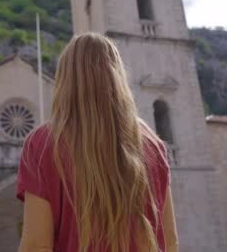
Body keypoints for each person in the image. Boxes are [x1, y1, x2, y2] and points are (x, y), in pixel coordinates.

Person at [16, 33, 179, 252]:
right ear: (117, 75)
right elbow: (170, 242)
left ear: (65, 80)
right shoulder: (154, 145)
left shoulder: (42, 144)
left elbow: (36, 245)